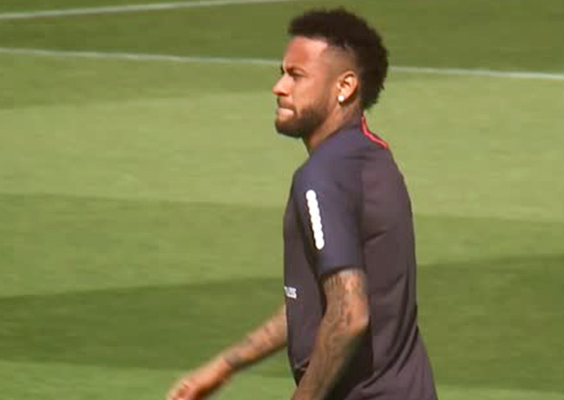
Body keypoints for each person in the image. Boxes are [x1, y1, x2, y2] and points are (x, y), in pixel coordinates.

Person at [167, 8, 437, 400]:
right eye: (282, 72)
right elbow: (317, 306)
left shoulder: (321, 177)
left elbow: (348, 315)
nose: (279, 87)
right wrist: (227, 364)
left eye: (296, 75)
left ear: (344, 87)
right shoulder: (374, 157)